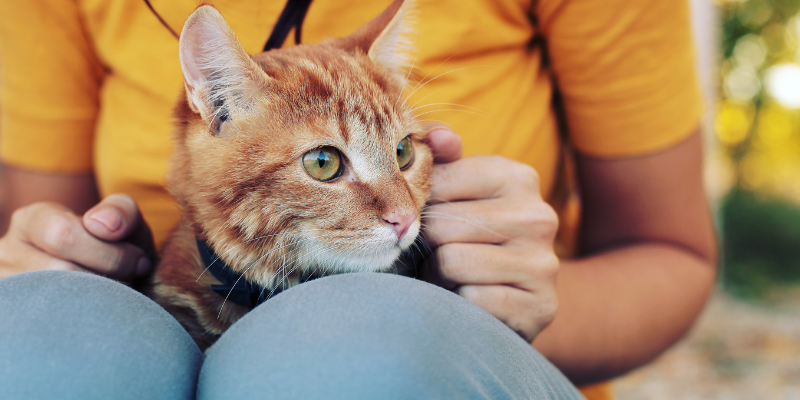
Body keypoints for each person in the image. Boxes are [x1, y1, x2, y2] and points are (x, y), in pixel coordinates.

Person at [0, 0, 717, 399]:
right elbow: (44, 231)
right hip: (171, 323)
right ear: (214, 109)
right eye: (324, 161)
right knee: (42, 344)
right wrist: (53, 263)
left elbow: (674, 253)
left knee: (350, 352)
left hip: (450, 357)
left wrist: (506, 303)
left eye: (405, 154)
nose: (398, 207)